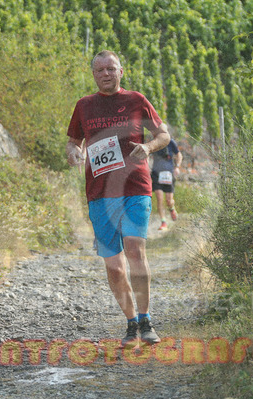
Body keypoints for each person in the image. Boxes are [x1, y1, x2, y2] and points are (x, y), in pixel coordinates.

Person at [66, 50, 170, 347]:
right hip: (99, 194)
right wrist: (74, 153)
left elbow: (163, 135)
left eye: (111, 69)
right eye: (100, 70)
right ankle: (131, 322)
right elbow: (73, 142)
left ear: (121, 71)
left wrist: (148, 148)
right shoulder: (84, 105)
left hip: (136, 187)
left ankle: (146, 319)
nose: (106, 74)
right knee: (114, 265)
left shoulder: (136, 100)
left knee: (135, 251)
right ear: (93, 74)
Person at [151, 138, 182, 230]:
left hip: (168, 173)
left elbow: (179, 155)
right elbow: (147, 155)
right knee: (159, 198)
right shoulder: (153, 142)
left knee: (169, 200)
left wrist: (177, 167)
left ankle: (172, 208)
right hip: (156, 174)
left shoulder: (170, 142)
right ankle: (163, 222)